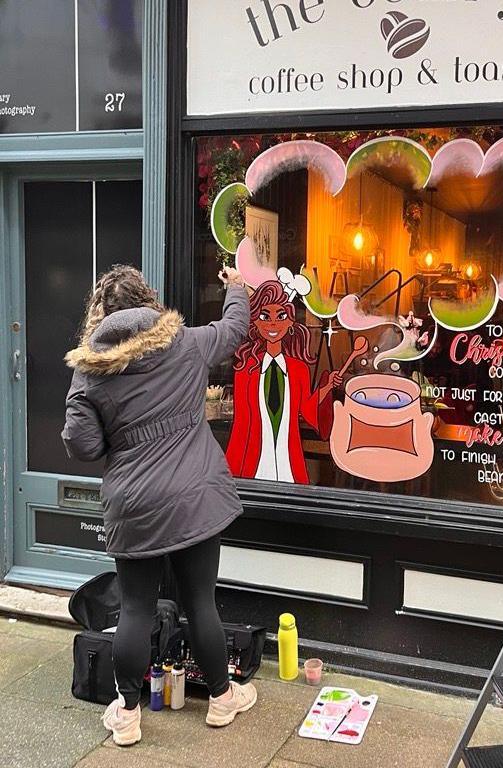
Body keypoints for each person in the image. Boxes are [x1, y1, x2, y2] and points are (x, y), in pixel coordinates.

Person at [62, 264, 255, 746]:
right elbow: (233, 331)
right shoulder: (185, 343)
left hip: (135, 503)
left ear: (100, 314)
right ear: (148, 302)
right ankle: (219, 699)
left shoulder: (90, 369)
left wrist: (122, 447)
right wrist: (235, 287)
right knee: (200, 600)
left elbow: (81, 444)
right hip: (195, 497)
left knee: (135, 607)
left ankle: (127, 716)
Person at [225, 279, 341, 483]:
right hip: (253, 462)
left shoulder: (299, 370)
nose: (273, 324)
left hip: (288, 460)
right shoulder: (246, 370)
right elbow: (241, 426)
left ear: (290, 323)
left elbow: (306, 409)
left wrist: (327, 387)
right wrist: (233, 475)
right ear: (255, 322)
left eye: (281, 316)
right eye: (265, 316)